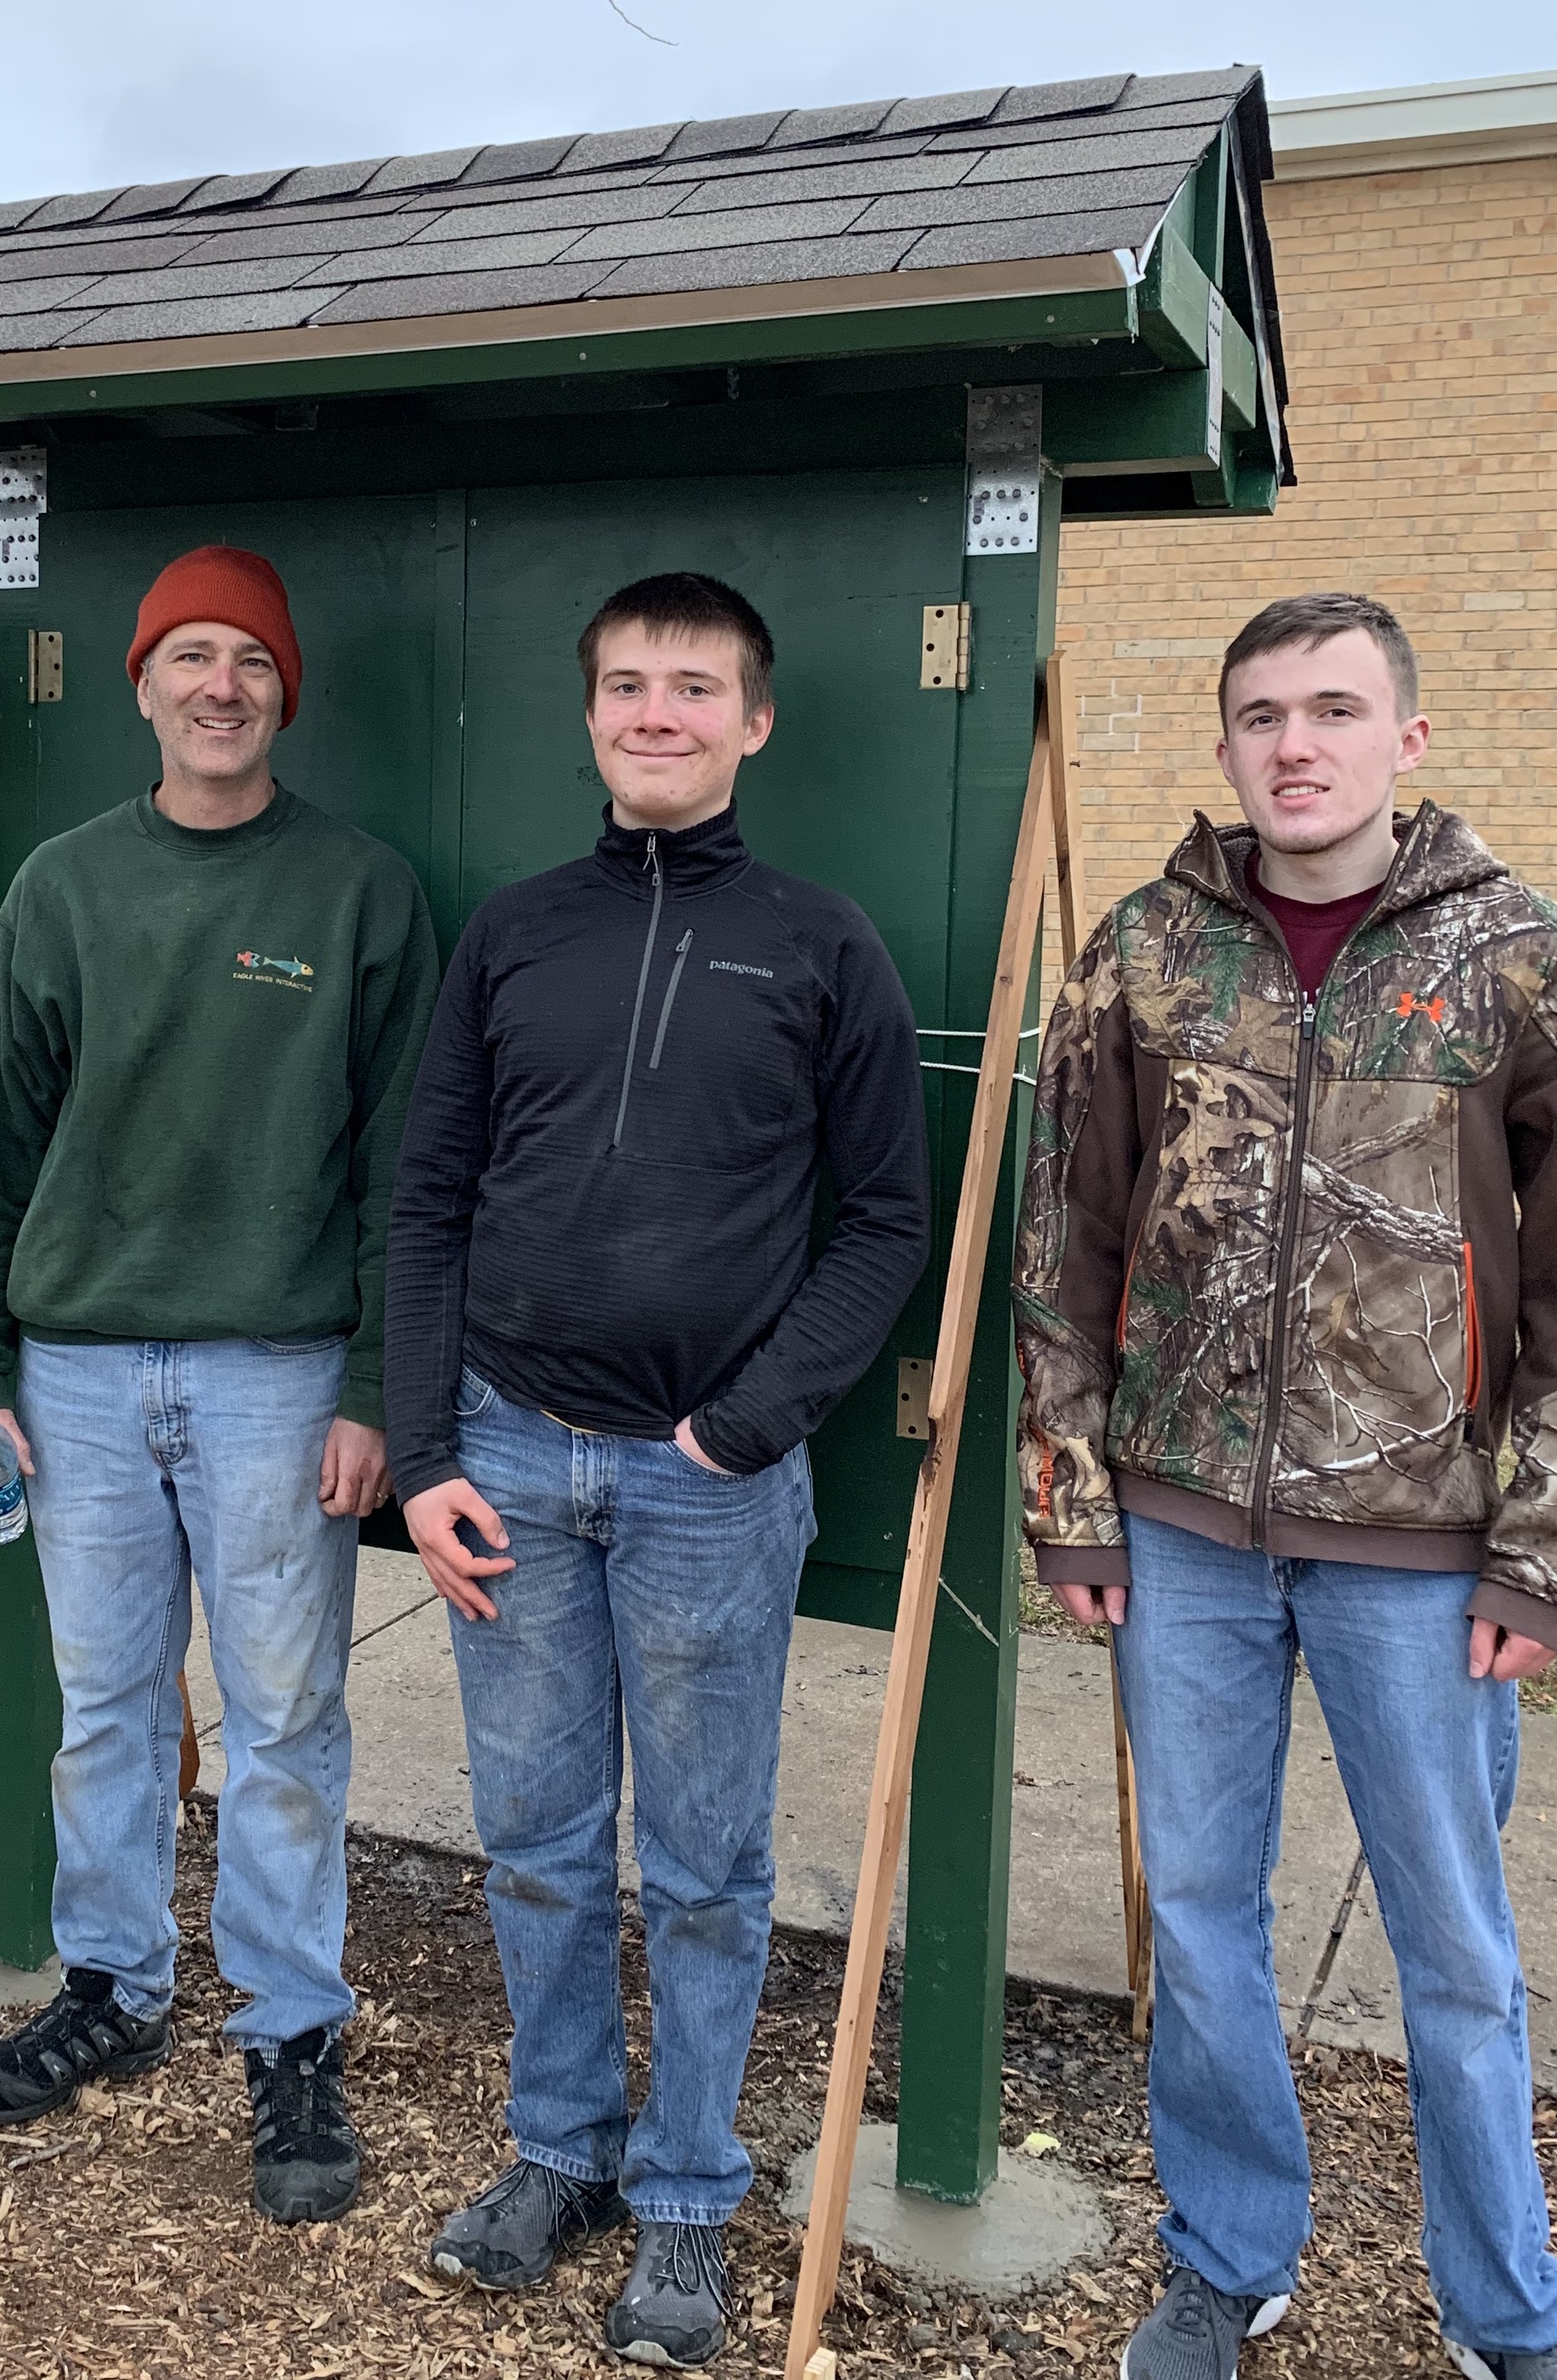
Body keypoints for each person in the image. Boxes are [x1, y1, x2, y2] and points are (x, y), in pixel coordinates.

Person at [1016, 592, 1557, 2380]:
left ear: (1403, 740)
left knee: (1452, 1952)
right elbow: (1060, 1241)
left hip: (1420, 1554)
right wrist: (1071, 1495)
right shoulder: (1143, 952)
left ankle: (1506, 2309)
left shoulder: (1515, 953)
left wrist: (1547, 1551)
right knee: (1202, 1920)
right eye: (1259, 713)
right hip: (1183, 1540)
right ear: (1222, 745)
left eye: (1332, 709)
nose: (1294, 743)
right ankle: (1227, 2256)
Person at [385, 572, 931, 2368]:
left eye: (692, 687)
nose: (654, 712)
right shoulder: (514, 933)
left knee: (701, 1863)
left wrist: (746, 1424)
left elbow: (883, 1222)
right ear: (590, 712)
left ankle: (689, 2195)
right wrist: (423, 1452)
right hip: (510, 1463)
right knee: (537, 1847)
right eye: (624, 684)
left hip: (706, 1485)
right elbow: (428, 1198)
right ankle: (561, 2153)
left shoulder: (822, 940)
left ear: (752, 721)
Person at [0, 545, 439, 2226]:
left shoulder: (361, 893)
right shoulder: (65, 888)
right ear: (143, 686)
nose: (221, 685)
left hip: (277, 1375)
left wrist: (373, 1382)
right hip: (72, 1369)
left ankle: (291, 2029)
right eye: (190, 656)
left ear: (286, 691)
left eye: (251, 661)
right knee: (105, 1705)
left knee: (287, 1715)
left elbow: (400, 1175)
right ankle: (114, 1986)